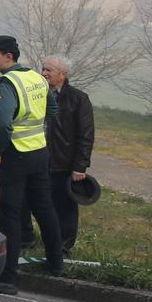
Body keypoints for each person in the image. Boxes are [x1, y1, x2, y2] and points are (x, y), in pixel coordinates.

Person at [0, 34, 63, 294]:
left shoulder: (6, 82)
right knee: (44, 208)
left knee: (10, 215)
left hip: (15, 154)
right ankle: (57, 264)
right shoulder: (37, 77)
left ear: (7, 56)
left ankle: (7, 278)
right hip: (39, 151)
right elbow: (53, 109)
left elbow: (3, 123)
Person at [34, 54, 94, 255]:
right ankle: (45, 242)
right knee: (42, 204)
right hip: (39, 160)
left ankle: (64, 247)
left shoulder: (78, 99)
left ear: (63, 74)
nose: (44, 73)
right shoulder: (37, 94)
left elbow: (85, 135)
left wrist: (80, 166)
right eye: (43, 69)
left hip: (64, 163)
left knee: (65, 206)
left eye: (49, 70)